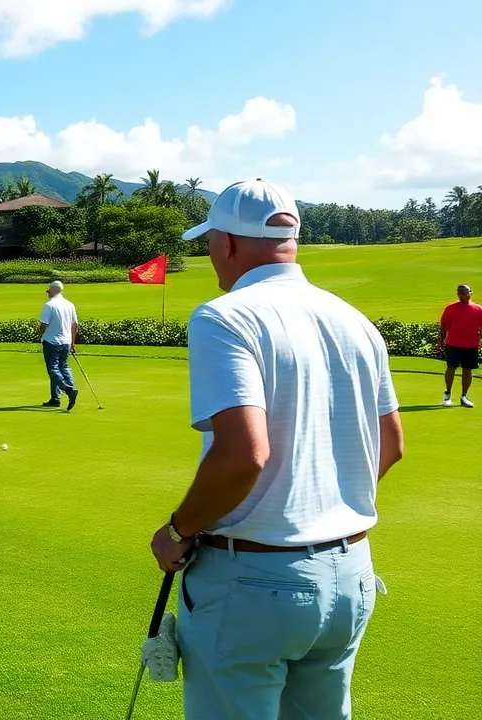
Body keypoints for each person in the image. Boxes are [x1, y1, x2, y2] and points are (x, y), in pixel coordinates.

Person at [149, 178, 404, 720]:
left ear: (229, 243)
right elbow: (392, 445)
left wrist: (178, 531)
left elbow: (244, 453)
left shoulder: (224, 316)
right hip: (349, 573)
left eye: (211, 241)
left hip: (252, 584)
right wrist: (320, 506)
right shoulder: (356, 322)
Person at [34, 280, 78, 410]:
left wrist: (40, 334)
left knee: (53, 369)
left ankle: (67, 389)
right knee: (63, 367)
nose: (47, 293)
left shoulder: (49, 305)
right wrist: (73, 343)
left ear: (53, 290)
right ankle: (56, 398)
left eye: (49, 291)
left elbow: (43, 324)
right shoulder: (70, 305)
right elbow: (74, 325)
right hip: (66, 342)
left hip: (51, 341)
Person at [438, 283, 482, 408]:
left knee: (468, 370)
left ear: (470, 293)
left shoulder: (479, 309)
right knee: (451, 367)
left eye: (466, 293)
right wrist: (441, 341)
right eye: (461, 293)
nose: (463, 296)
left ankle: (464, 396)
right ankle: (447, 394)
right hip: (453, 344)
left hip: (471, 345)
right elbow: (443, 327)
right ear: (457, 294)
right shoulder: (450, 309)